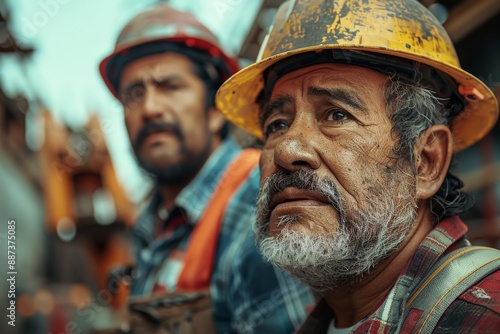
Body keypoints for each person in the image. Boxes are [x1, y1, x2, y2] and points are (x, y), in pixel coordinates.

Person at [215, 0, 500, 332]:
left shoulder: (481, 317)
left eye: (337, 115)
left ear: (425, 162)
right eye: (277, 125)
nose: (287, 150)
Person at [99, 3, 315, 333]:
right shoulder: (151, 224)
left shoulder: (255, 200)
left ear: (216, 110)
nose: (150, 108)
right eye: (134, 94)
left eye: (170, 86)